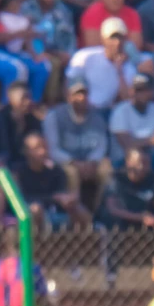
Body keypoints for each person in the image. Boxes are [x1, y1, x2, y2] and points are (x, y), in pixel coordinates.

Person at [42, 79, 113, 212]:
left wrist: (92, 161)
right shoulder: (55, 115)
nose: (81, 98)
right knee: (71, 173)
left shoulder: (97, 117)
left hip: (90, 162)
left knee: (107, 169)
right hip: (65, 162)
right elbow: (53, 148)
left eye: (84, 94)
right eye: (77, 94)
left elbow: (101, 146)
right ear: (69, 96)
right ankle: (76, 215)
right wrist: (74, 162)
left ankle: (101, 212)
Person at [101, 146, 154, 281]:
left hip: (146, 221)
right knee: (113, 225)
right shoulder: (116, 179)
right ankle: (111, 274)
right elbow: (113, 209)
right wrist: (141, 217)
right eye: (138, 162)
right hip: (121, 220)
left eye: (146, 163)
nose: (142, 167)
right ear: (128, 162)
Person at [13, 131, 88, 232]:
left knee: (80, 210)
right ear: (26, 152)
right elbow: (22, 198)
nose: (42, 151)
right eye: (37, 148)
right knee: (36, 209)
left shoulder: (56, 170)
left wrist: (68, 200)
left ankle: (84, 245)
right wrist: (52, 198)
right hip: (32, 212)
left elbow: (61, 194)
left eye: (44, 147)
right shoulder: (19, 172)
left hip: (56, 211)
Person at [66, 18, 138, 112]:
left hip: (107, 112)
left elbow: (127, 99)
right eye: (113, 38)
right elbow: (69, 84)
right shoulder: (85, 57)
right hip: (83, 109)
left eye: (120, 37)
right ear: (103, 39)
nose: (117, 42)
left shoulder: (128, 68)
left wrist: (119, 71)